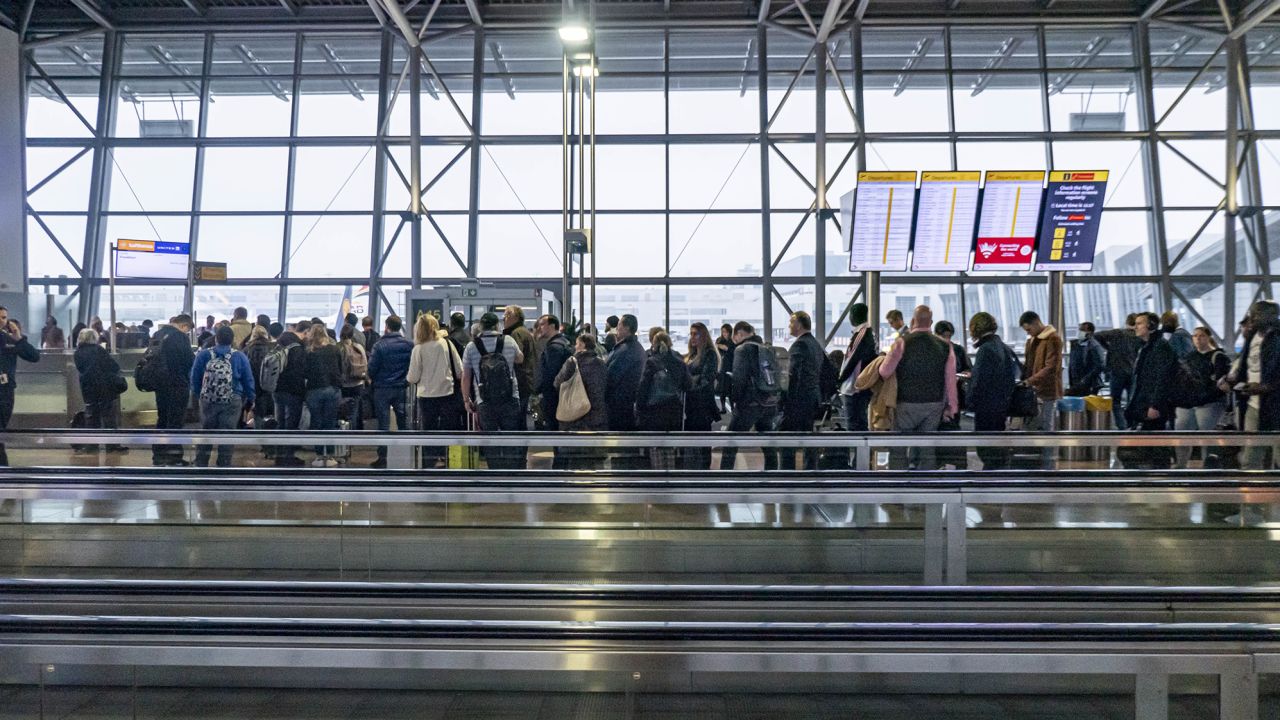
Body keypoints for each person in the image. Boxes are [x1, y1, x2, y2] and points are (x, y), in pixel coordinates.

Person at [877, 306, 957, 470]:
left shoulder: (902, 343)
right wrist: (952, 407)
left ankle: (898, 485)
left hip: (905, 403)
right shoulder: (945, 346)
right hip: (934, 404)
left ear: (913, 321)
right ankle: (926, 486)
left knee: (898, 447)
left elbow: (884, 372)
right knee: (927, 449)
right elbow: (950, 380)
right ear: (931, 323)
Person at [462, 312, 525, 469]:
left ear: (481, 326)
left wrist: (466, 399)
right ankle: (511, 473)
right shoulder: (509, 341)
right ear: (498, 325)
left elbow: (466, 376)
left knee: (489, 439)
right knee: (511, 436)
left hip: (484, 400)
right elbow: (520, 358)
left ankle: (495, 472)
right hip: (510, 397)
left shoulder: (471, 347)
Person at [1222, 300, 1280, 469]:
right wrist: (1233, 380)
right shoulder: (1252, 336)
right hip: (1254, 405)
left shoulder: (1277, 338)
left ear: (1270, 316)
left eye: (1256, 314)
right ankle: (1253, 492)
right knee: (1251, 456)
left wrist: (1265, 387)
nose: (1252, 317)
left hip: (1275, 404)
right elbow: (1245, 365)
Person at [190, 325, 255, 468]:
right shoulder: (239, 356)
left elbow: (194, 378)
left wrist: (199, 395)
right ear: (232, 340)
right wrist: (251, 398)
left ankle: (201, 464)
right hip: (232, 399)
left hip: (208, 400)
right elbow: (248, 380)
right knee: (227, 434)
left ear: (216, 339)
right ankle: (223, 465)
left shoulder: (203, 355)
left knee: (206, 432)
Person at [719, 321, 781, 471]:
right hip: (769, 402)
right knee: (768, 444)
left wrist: (735, 401)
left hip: (749, 404)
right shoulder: (766, 348)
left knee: (731, 441)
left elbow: (739, 378)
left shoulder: (742, 349)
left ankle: (724, 477)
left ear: (739, 334)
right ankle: (772, 475)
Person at [406, 313, 463, 466]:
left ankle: (429, 462)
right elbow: (459, 370)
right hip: (447, 393)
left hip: (426, 396)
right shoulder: (447, 344)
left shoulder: (418, 349)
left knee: (428, 430)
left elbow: (412, 377)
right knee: (447, 429)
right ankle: (449, 459)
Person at [1124, 311, 1178, 468]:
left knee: (1156, 446)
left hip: (1153, 406)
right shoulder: (1147, 347)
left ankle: (1160, 477)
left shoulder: (1160, 348)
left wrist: (1155, 405)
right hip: (1144, 404)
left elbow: (1163, 379)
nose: (1136, 327)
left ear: (1151, 326)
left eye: (1140, 323)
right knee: (1149, 446)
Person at [1173, 326, 1231, 468]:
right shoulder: (1190, 357)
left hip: (1209, 403)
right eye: (1195, 336)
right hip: (1190, 402)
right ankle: (1181, 464)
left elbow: (1221, 383)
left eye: (1202, 335)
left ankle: (1210, 467)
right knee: (1182, 435)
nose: (1198, 338)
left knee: (1208, 439)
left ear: (1208, 338)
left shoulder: (1218, 357)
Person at [966, 312, 1016, 470]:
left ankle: (989, 480)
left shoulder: (985, 349)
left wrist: (970, 401)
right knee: (997, 445)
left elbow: (980, 381)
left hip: (986, 407)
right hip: (1001, 405)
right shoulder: (1003, 347)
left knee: (986, 448)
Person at [637, 330, 693, 469]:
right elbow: (688, 385)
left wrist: (639, 408)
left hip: (654, 412)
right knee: (669, 446)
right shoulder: (679, 362)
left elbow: (643, 387)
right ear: (670, 343)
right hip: (674, 411)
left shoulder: (651, 362)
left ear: (654, 345)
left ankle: (659, 477)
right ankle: (670, 476)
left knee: (656, 447)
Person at [145, 314, 195, 467]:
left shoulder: (157, 335)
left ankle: (158, 455)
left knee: (162, 419)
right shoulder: (180, 337)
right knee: (175, 421)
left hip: (160, 385)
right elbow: (189, 361)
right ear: (184, 326)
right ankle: (174, 456)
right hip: (177, 384)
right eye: (187, 330)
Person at [554, 334, 610, 468]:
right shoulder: (601, 363)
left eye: (577, 343)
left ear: (583, 345)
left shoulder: (572, 362)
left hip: (575, 417)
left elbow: (557, 383)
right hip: (596, 418)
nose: (575, 346)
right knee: (595, 461)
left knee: (575, 461)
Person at [366, 315, 413, 469]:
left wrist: (372, 378)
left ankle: (383, 457)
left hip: (382, 389)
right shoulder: (408, 344)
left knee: (383, 424)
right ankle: (405, 455)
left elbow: (371, 368)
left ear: (387, 326)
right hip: (400, 387)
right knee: (403, 422)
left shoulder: (379, 345)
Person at [781, 311, 825, 470]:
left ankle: (787, 474)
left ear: (798, 325)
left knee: (787, 439)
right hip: (813, 397)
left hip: (799, 400)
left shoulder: (799, 345)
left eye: (791, 322)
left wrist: (787, 401)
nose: (789, 326)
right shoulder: (815, 344)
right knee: (808, 438)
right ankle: (810, 471)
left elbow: (794, 376)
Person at [73, 328, 127, 454]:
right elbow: (113, 366)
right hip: (104, 388)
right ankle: (112, 445)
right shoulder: (98, 350)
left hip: (87, 388)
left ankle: (92, 445)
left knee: (92, 417)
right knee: (108, 417)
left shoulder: (78, 353)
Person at [1019, 311, 1063, 466]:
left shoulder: (1053, 339)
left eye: (1029, 329)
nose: (1028, 332)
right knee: (1036, 427)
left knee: (1047, 429)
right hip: (1034, 391)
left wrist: (1029, 381)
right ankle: (1037, 464)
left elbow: (1051, 367)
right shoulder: (1032, 340)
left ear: (1037, 322)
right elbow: (1028, 365)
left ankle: (1048, 466)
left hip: (1047, 391)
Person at [0, 313, 44, 462]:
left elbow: (34, 356)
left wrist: (19, 339)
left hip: (5, 392)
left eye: (4, 317)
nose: (2, 320)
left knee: (2, 431)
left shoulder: (9, 339)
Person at [304, 323, 344, 467]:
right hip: (332, 390)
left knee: (316, 422)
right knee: (330, 422)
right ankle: (330, 455)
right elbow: (340, 369)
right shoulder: (334, 350)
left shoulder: (309, 352)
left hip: (314, 391)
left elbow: (305, 373)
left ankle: (319, 456)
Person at [683, 322, 722, 469]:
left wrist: (691, 384)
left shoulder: (709, 354)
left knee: (703, 441)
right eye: (691, 333)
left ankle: (705, 471)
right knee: (691, 440)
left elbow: (707, 379)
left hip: (702, 405)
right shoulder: (691, 355)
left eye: (696, 334)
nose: (692, 337)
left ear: (703, 336)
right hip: (690, 405)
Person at [269, 325, 308, 467]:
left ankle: (279, 455)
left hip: (277, 391)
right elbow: (302, 372)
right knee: (291, 424)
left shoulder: (277, 347)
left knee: (280, 423)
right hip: (294, 392)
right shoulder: (297, 349)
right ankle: (289, 455)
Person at [838, 303, 878, 434]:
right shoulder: (869, 333)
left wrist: (840, 379)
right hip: (861, 386)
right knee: (860, 423)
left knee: (853, 425)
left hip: (854, 387)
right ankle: (861, 454)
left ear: (854, 316)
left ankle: (858, 454)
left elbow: (852, 360)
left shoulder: (862, 334)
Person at [1096, 314, 1140, 430]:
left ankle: (1122, 426)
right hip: (1133, 372)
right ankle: (1133, 425)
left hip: (1117, 371)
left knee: (1115, 401)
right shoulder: (1139, 336)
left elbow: (1097, 336)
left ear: (1126, 322)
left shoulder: (1117, 333)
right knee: (1133, 400)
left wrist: (1109, 348)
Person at [604, 314, 645, 432]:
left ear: (627, 328)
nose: (617, 328)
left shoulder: (626, 351)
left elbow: (611, 376)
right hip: (625, 404)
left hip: (620, 406)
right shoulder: (633, 348)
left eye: (619, 325)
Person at [534, 314, 573, 431]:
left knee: (553, 428)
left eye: (542, 324)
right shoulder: (564, 342)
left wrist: (542, 390)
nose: (539, 327)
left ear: (552, 326)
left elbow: (551, 374)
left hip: (554, 396)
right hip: (563, 394)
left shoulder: (554, 347)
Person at [503, 305, 537, 425]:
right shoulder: (525, 331)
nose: (504, 318)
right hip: (527, 379)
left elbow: (517, 357)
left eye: (507, 315)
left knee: (517, 417)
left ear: (515, 317)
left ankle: (519, 443)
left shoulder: (516, 333)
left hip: (520, 380)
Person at [242, 325, 277, 436]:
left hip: (252, 384)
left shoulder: (246, 350)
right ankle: (268, 436)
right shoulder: (273, 349)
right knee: (270, 411)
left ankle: (258, 434)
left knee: (256, 411)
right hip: (269, 385)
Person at [933, 320, 972, 417]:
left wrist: (962, 375)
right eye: (944, 336)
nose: (947, 340)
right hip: (937, 395)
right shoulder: (931, 350)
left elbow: (968, 369)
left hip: (954, 391)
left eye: (949, 336)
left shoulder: (958, 350)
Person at [338, 324, 368, 431]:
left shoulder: (338, 347)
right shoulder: (359, 347)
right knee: (354, 411)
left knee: (342, 410)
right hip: (358, 383)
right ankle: (353, 436)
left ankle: (342, 435)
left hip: (343, 384)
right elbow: (365, 363)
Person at [1067, 322, 1106, 397]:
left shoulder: (1094, 346)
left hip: (1089, 383)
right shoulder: (1076, 345)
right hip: (1076, 382)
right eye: (1079, 329)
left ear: (1090, 332)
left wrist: (1086, 379)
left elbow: (1100, 365)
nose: (1079, 332)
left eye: (1082, 330)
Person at [715, 323, 736, 412]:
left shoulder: (733, 341)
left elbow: (733, 352)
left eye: (726, 332)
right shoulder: (719, 340)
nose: (724, 334)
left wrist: (726, 348)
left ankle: (732, 407)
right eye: (723, 332)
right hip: (722, 366)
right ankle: (723, 407)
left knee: (730, 389)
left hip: (730, 366)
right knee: (722, 388)